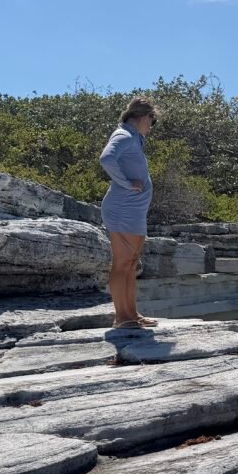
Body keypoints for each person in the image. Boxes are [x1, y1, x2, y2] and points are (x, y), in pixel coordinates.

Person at [100, 96, 158, 328]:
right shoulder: (124, 135)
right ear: (144, 117)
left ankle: (132, 315)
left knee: (132, 262)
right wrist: (125, 183)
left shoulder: (132, 137)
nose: (151, 128)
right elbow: (106, 158)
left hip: (131, 211)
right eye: (152, 122)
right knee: (123, 263)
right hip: (123, 209)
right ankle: (121, 318)